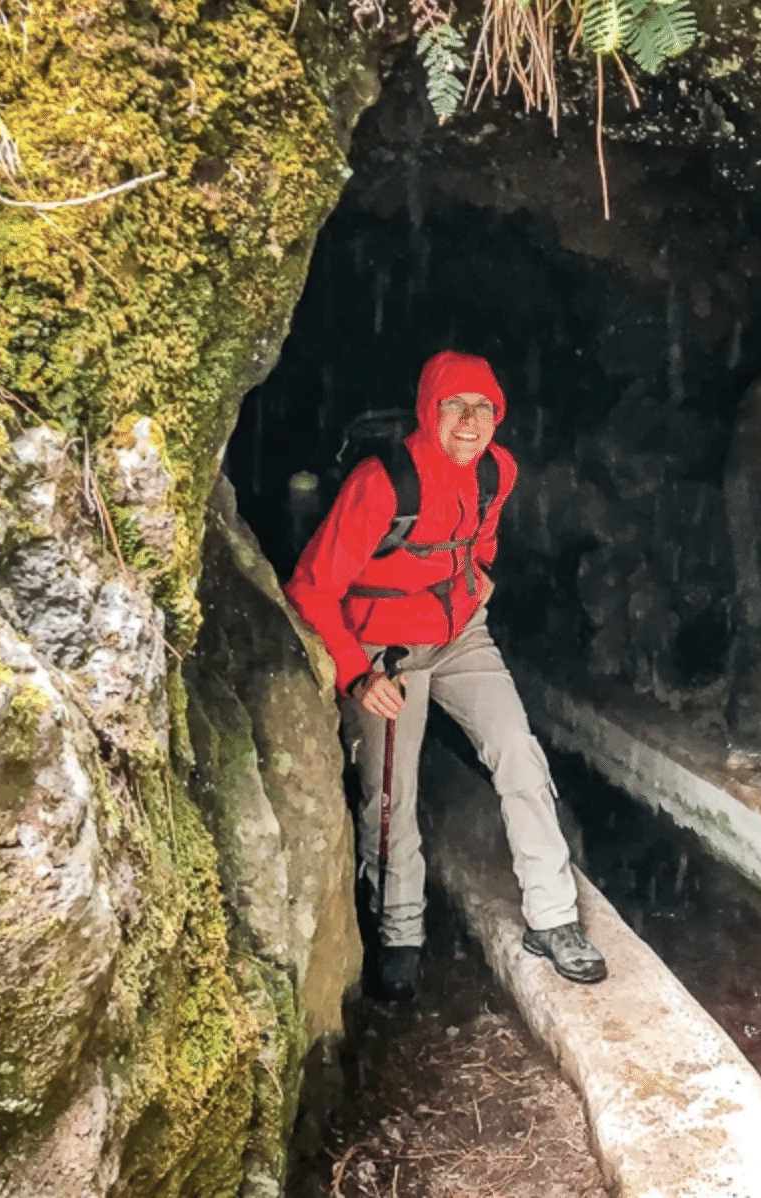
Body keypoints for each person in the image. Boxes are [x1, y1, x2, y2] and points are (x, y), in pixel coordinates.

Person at [285, 350, 607, 999]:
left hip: (460, 634)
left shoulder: (498, 471)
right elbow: (311, 588)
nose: (469, 421)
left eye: (483, 408)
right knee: (391, 794)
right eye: (454, 406)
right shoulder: (381, 484)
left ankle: (554, 918)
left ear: (498, 416)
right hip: (384, 647)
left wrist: (477, 586)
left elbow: (481, 543)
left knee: (517, 749)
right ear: (429, 411)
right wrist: (357, 675)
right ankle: (399, 930)